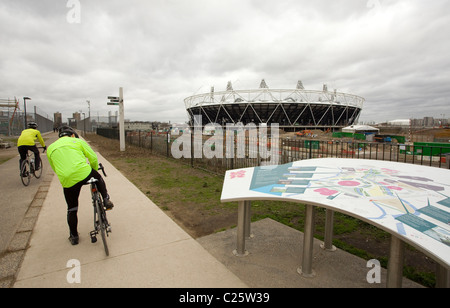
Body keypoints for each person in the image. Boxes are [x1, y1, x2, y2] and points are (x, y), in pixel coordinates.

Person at [47, 126, 114, 245]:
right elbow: (93, 157)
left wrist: (65, 177)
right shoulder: (78, 141)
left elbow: (55, 167)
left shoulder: (51, 148)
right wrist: (93, 171)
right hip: (84, 172)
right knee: (98, 177)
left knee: (72, 208)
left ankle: (74, 236)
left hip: (67, 179)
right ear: (72, 135)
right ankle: (105, 199)